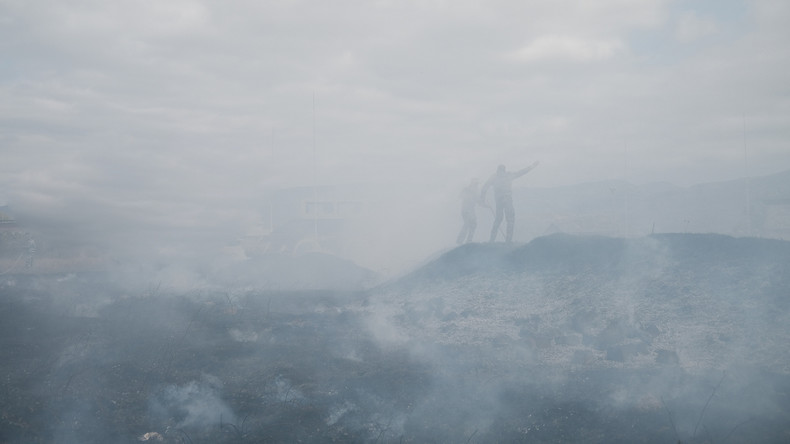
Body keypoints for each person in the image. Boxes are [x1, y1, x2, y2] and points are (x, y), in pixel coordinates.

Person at [480, 161, 539, 242]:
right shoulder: (508, 175)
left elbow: (484, 188)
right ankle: (508, 240)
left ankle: (492, 240)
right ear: (504, 170)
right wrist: (532, 166)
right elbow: (521, 172)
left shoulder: (494, 177)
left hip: (499, 201)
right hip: (507, 199)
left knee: (498, 219)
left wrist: (482, 200)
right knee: (510, 219)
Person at [456, 178, 483, 244]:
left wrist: (484, 204)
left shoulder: (474, 191)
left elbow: (478, 201)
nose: (477, 186)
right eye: (476, 184)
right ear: (472, 184)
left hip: (469, 209)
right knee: (468, 224)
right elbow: (461, 196)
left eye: (477, 184)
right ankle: (461, 240)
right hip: (466, 209)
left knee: (472, 224)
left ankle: (467, 240)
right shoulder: (468, 189)